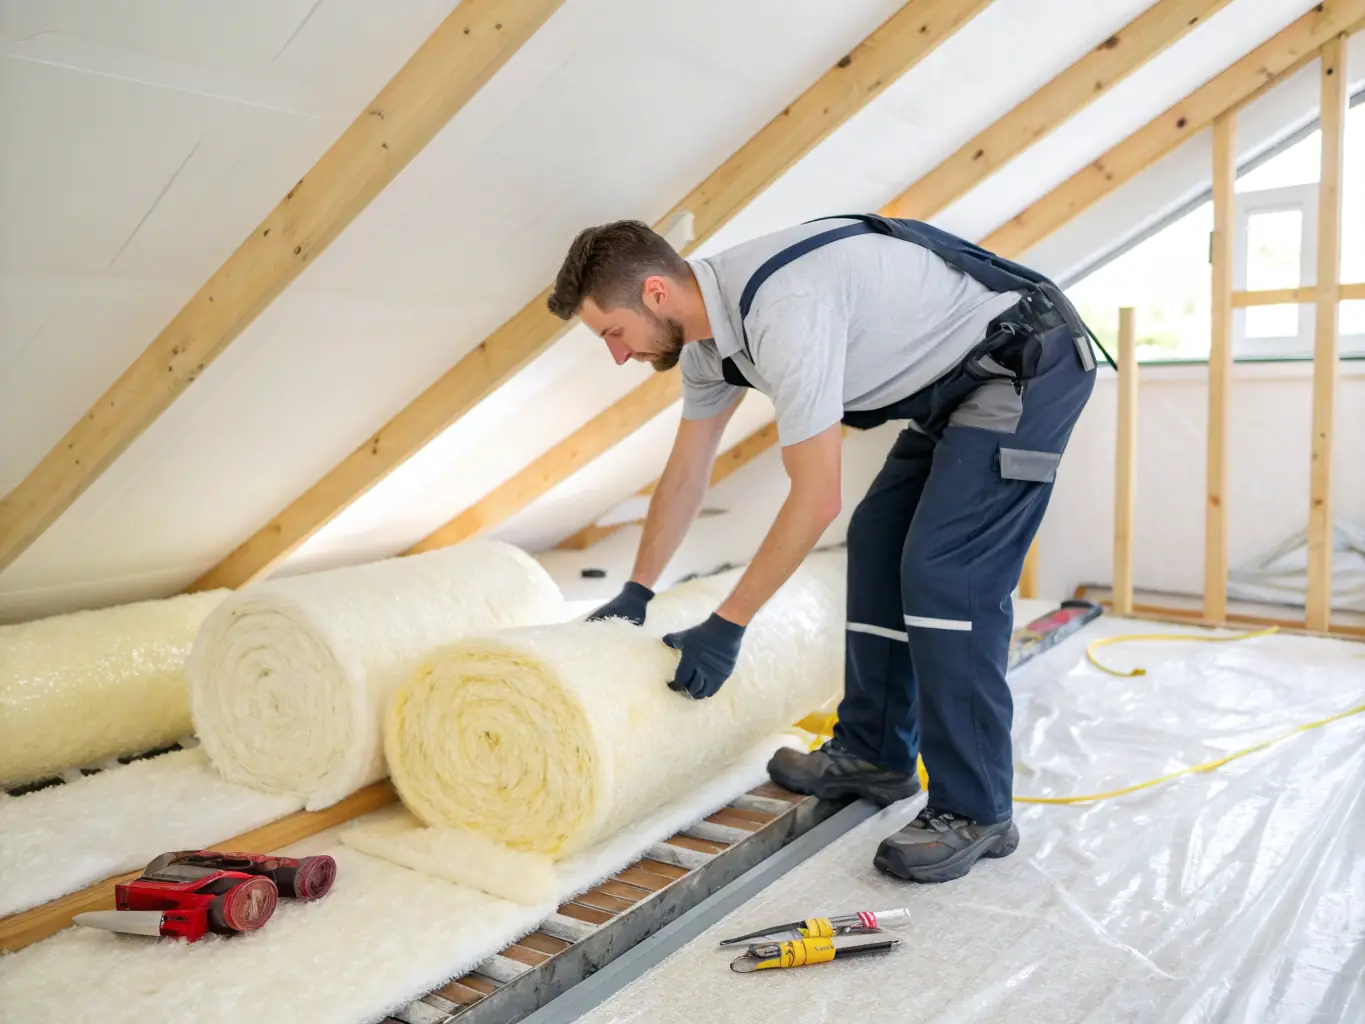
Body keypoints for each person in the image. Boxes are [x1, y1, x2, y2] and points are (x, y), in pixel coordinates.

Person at [545, 214, 1098, 884]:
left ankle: (977, 811)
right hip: (951, 388)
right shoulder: (705, 346)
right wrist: (637, 590)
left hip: (1021, 367)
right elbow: (686, 472)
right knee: (874, 541)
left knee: (944, 577)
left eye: (612, 332)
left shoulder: (785, 311)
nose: (617, 353)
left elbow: (814, 499)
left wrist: (727, 626)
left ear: (656, 294)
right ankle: (874, 754)